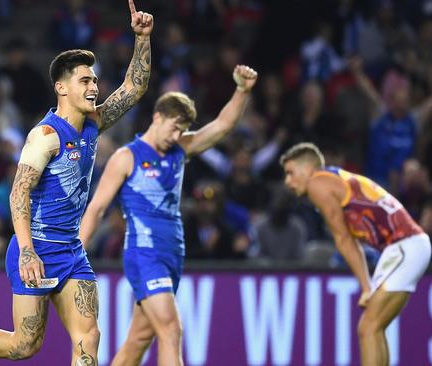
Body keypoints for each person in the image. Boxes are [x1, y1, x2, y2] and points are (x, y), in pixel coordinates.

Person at [0, 1, 153, 365]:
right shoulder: (45, 136)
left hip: (72, 251)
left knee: (89, 337)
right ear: (62, 87)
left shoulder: (94, 123)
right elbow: (19, 192)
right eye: (85, 80)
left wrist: (142, 38)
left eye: (94, 79)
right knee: (24, 346)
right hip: (37, 250)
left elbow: (134, 88)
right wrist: (28, 251)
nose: (94, 86)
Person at [80, 65, 258, 365]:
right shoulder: (127, 157)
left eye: (182, 130)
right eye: (174, 126)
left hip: (173, 255)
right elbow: (97, 207)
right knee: (171, 330)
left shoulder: (179, 149)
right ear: (157, 117)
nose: (177, 135)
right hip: (144, 253)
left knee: (139, 339)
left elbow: (223, 125)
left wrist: (242, 91)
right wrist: (78, 251)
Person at [280, 142, 431, 366]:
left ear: (307, 169)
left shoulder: (317, 183)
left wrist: (366, 287)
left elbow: (343, 239)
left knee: (368, 327)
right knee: (372, 328)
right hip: (403, 248)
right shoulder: (334, 179)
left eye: (291, 173)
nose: (287, 181)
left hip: (403, 246)